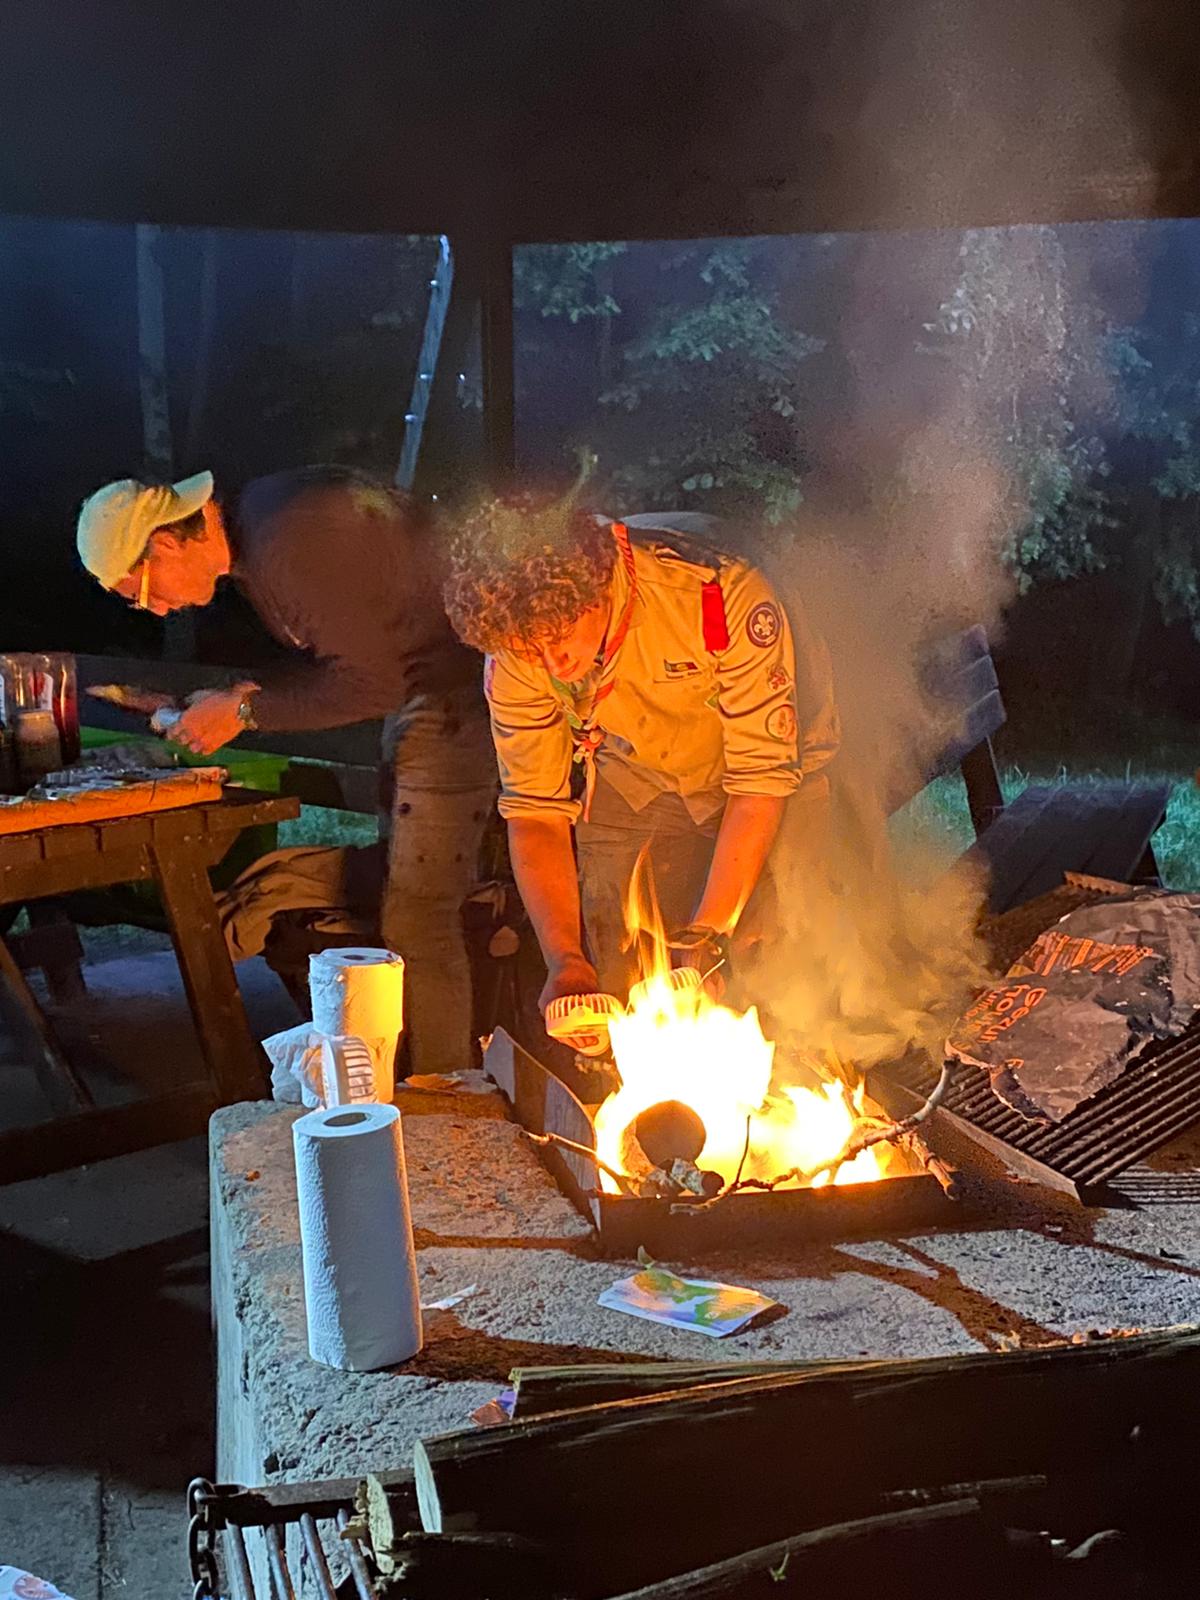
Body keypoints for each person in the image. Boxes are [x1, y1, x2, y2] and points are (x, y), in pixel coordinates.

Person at [75, 464, 497, 1073]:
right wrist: (239, 698)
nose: (155, 610)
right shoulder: (261, 532)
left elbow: (374, 682)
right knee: (408, 904)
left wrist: (245, 710)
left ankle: (448, 1102)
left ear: (165, 542)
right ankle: (431, 1073)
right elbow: (352, 662)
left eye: (137, 591)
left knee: (420, 916)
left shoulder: (291, 539)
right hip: (425, 697)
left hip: (456, 695)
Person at [442, 494, 840, 1030]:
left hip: (775, 772)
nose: (551, 664)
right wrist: (566, 960)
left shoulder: (719, 594)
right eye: (526, 649)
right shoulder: (518, 647)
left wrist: (705, 937)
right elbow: (535, 812)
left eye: (560, 639)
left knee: (778, 969)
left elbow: (758, 783)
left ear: (600, 589)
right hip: (637, 769)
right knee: (623, 976)